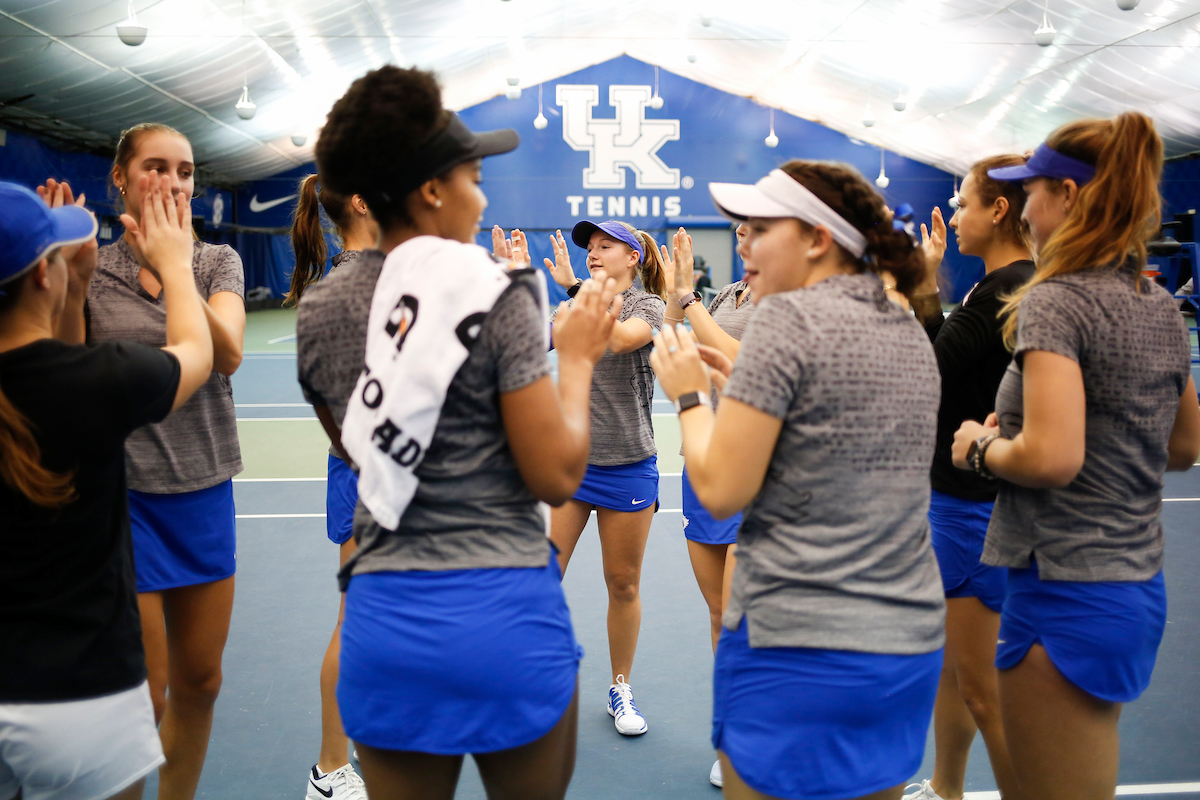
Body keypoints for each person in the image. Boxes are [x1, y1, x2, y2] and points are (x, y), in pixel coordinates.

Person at [313, 64, 622, 800]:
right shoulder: (501, 290)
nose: (482, 198)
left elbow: (354, 453)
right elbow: (554, 476)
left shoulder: (319, 310)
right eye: (475, 178)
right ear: (430, 190)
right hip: (503, 620)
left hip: (386, 624)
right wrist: (574, 358)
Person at [651, 161, 946, 800]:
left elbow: (722, 488)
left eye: (760, 227)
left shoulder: (788, 322)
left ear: (817, 239)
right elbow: (832, 450)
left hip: (797, 648)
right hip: (904, 646)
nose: (744, 244)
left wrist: (691, 397)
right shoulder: (907, 324)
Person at [951, 112, 1200, 800]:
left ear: (1066, 196)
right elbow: (1183, 446)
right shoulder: (1157, 304)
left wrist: (984, 446)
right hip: (1126, 585)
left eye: (1031, 191)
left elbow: (1054, 459)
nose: (1024, 209)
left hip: (1066, 592)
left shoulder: (1055, 302)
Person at [0, 176, 212, 800]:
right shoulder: (103, 381)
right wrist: (175, 264)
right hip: (85, 702)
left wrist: (78, 289)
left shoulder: (80, 379)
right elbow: (194, 353)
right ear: (44, 273)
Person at [69, 122, 246, 800]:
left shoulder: (215, 263)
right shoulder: (96, 269)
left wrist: (174, 266)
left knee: (202, 682)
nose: (172, 183)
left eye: (185, 171)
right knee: (143, 697)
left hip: (203, 495)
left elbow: (226, 352)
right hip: (122, 499)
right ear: (121, 176)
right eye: (155, 167)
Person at [902, 156, 1034, 800]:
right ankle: (947, 787)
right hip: (959, 505)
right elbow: (947, 373)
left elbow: (922, 370)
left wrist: (916, 288)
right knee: (956, 673)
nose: (953, 216)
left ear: (999, 210)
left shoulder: (1010, 288)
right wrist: (929, 285)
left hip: (974, 513)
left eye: (963, 204)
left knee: (981, 687)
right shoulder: (995, 287)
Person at [542, 219, 667, 737]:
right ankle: (534, 681)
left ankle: (620, 686)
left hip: (629, 467)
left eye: (605, 246)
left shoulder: (649, 308)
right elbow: (539, 342)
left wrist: (576, 291)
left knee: (624, 583)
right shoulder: (572, 305)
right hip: (572, 466)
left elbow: (615, 340)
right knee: (541, 577)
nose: (593, 253)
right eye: (590, 247)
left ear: (632, 257)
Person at [291, 173, 379, 799]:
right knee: (358, 623)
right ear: (361, 202)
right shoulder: (353, 287)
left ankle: (365, 747)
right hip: (367, 475)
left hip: (396, 473)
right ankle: (329, 768)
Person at [661, 224, 755, 788]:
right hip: (702, 464)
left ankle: (753, 740)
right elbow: (669, 349)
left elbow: (744, 360)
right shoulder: (726, 297)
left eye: (753, 226)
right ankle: (729, 737)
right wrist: (677, 298)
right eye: (738, 227)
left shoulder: (783, 298)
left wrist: (690, 300)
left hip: (751, 470)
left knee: (744, 620)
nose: (743, 235)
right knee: (720, 619)